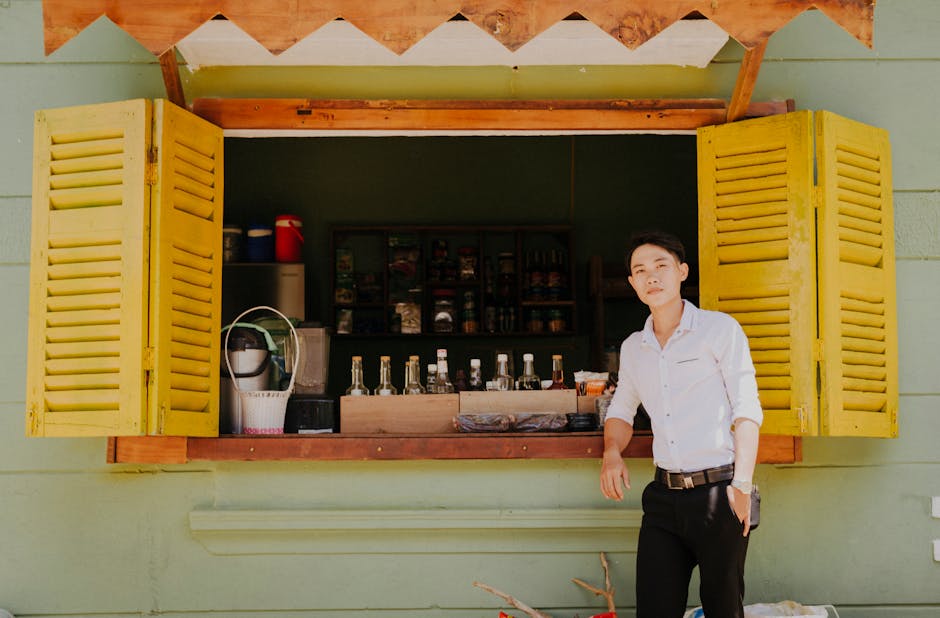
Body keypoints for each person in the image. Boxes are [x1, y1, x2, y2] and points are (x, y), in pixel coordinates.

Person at [600, 231, 762, 618]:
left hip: (719, 494)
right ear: (632, 284)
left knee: (723, 609)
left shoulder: (719, 330)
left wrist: (741, 484)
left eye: (661, 267)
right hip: (663, 499)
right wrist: (610, 452)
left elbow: (747, 410)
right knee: (654, 610)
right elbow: (621, 410)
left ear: (682, 271)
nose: (651, 277)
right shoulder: (633, 347)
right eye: (640, 271)